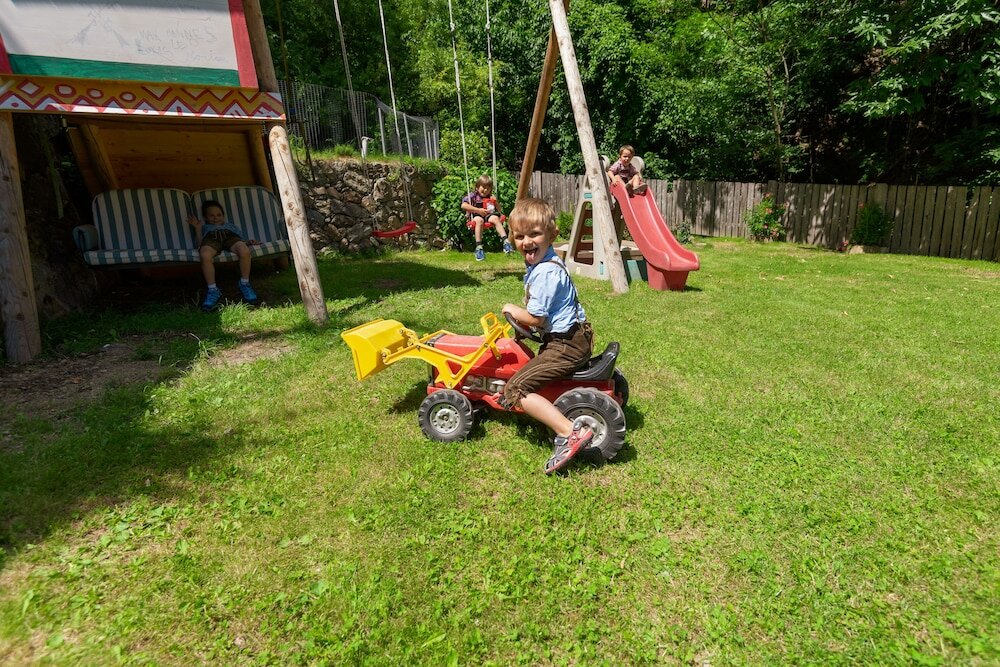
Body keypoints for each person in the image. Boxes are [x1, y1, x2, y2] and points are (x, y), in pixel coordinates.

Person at [500, 198, 596, 474]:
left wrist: (512, 309)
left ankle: (569, 432)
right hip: (572, 337)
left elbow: (536, 318)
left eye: (534, 234)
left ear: (552, 235)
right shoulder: (546, 263)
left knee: (515, 389)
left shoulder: (545, 273)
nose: (526, 242)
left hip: (567, 345)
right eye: (519, 236)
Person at [187, 200, 260, 311]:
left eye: (219, 215)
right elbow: (200, 243)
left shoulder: (231, 226)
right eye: (211, 215)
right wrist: (197, 229)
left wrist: (249, 242)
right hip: (211, 240)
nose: (215, 218)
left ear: (223, 216)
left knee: (244, 251)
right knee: (205, 254)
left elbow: (240, 240)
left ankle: (244, 283)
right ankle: (213, 290)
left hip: (230, 238)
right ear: (206, 218)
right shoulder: (205, 227)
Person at [461, 174, 513, 261]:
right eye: (483, 187)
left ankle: (506, 241)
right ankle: (479, 247)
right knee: (479, 220)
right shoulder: (473, 195)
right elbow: (463, 205)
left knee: (496, 219)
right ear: (477, 187)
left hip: (488, 215)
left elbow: (499, 210)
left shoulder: (490, 197)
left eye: (488, 188)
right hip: (476, 215)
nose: (485, 190)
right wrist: (478, 210)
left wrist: (495, 202)